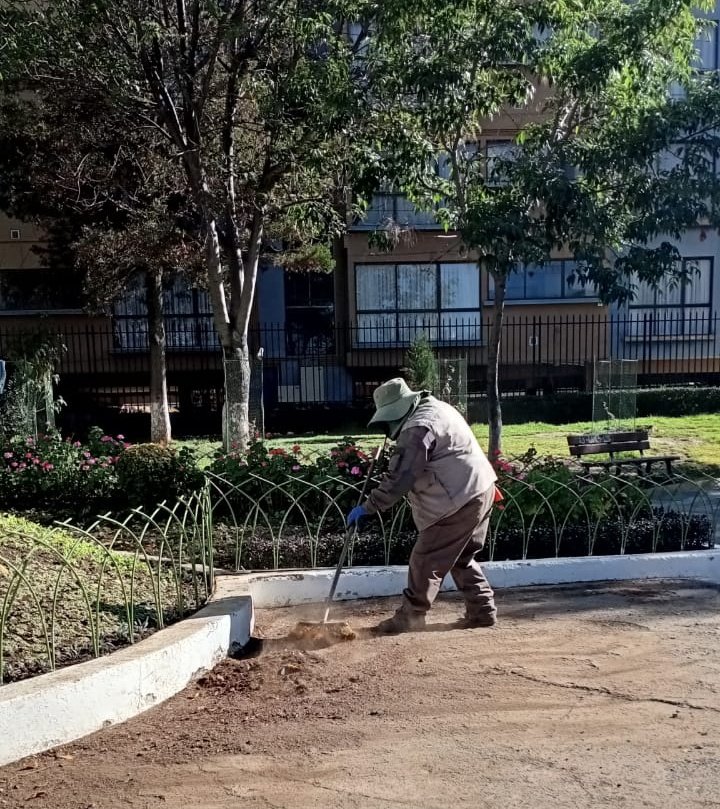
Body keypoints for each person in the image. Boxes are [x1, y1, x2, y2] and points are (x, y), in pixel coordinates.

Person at [347, 377, 499, 634]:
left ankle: (410, 617)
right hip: (480, 489)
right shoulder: (435, 407)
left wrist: (369, 507)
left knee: (425, 558)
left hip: (457, 500)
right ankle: (483, 611)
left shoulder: (418, 428)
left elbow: (402, 477)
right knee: (461, 556)